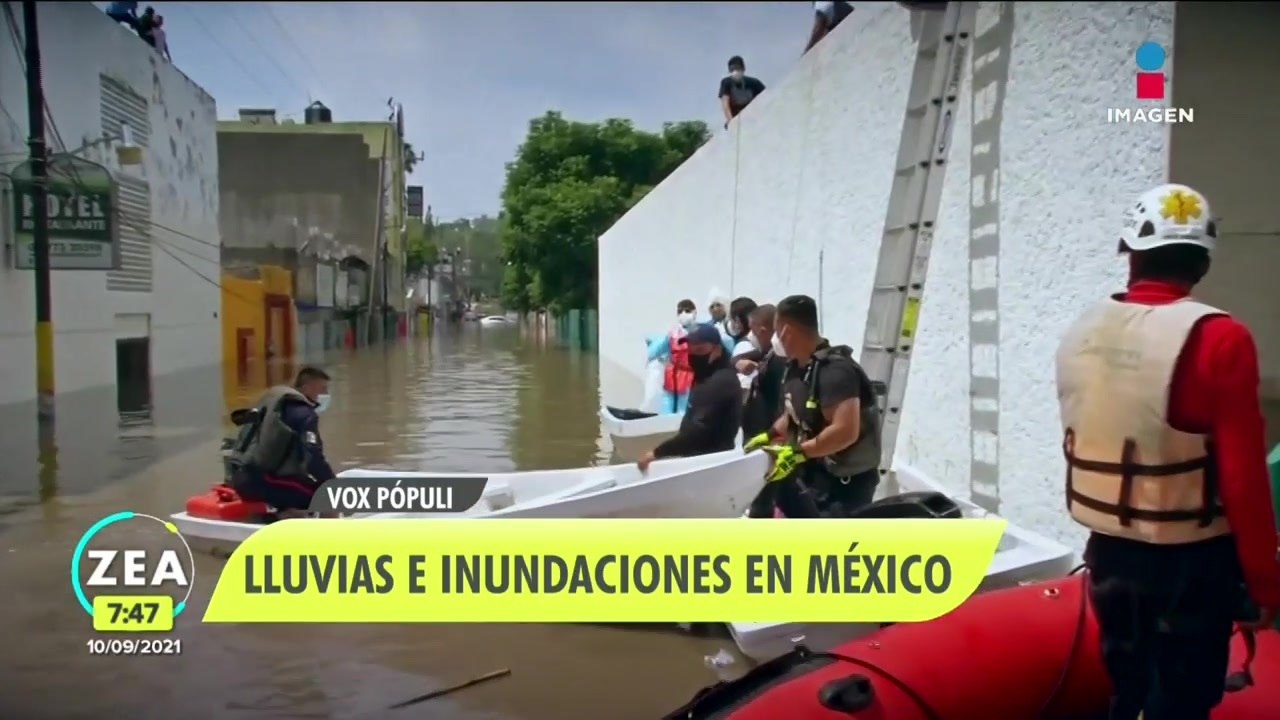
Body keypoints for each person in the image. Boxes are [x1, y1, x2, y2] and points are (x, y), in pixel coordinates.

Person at [1055, 183, 1280, 720]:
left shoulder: (1082, 329)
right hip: (1191, 562)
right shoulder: (1221, 338)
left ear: (1130, 252)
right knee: (1181, 698)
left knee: (1127, 683)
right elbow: (1244, 480)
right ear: (1202, 261)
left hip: (1109, 551)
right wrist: (1264, 582)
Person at [745, 294, 881, 518]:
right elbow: (793, 414)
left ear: (787, 331)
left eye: (777, 331)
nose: (775, 339)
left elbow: (845, 431)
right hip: (812, 479)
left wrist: (798, 453)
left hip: (842, 489)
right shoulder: (797, 368)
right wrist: (769, 435)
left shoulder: (835, 372)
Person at [228, 367, 338, 519]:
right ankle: (316, 529)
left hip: (240, 476)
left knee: (305, 487)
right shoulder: (304, 414)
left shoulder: (277, 403)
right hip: (261, 481)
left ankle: (283, 514)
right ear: (308, 388)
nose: (326, 394)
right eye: (323, 389)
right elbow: (314, 458)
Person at [638, 324, 744, 472]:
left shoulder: (719, 383)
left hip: (710, 465)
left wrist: (656, 453)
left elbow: (696, 433)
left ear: (717, 350)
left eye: (700, 350)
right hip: (698, 460)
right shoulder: (707, 376)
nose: (693, 356)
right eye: (690, 351)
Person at [737, 304, 788, 440]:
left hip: (769, 435)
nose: (751, 335)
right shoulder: (767, 353)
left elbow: (779, 403)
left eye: (753, 330)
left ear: (762, 331)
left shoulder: (780, 360)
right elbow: (735, 359)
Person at [646, 299, 700, 414]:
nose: (683, 314)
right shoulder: (673, 333)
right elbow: (658, 348)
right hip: (673, 374)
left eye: (687, 310)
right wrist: (649, 355)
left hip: (691, 376)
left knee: (685, 408)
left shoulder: (700, 332)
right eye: (680, 311)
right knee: (667, 406)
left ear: (694, 312)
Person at [719, 56, 766, 129]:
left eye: (737, 68)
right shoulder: (726, 82)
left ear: (743, 69)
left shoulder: (754, 83)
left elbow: (766, 97)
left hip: (753, 114)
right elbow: (725, 101)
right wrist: (730, 120)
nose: (735, 71)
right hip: (735, 116)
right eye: (732, 69)